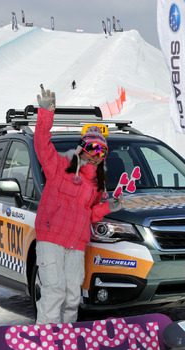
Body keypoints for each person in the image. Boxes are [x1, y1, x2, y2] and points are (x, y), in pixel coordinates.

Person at [34, 86, 122, 324]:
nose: (96, 154)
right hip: (51, 239)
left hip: (77, 243)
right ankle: (47, 340)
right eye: (92, 148)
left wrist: (109, 207)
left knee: (73, 296)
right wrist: (45, 114)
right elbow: (42, 144)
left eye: (101, 150)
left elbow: (90, 215)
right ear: (83, 147)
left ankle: (67, 341)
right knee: (54, 292)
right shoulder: (60, 166)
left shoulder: (96, 184)